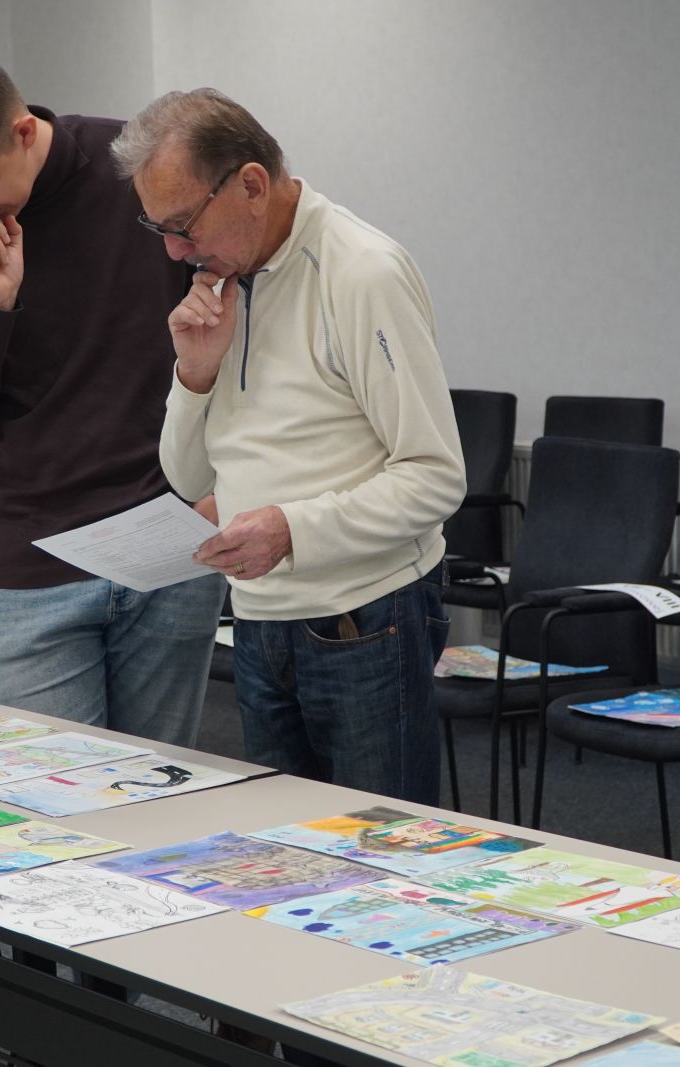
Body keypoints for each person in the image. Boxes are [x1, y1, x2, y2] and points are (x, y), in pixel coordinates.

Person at [111, 89, 466, 806]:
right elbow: (188, 478)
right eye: (159, 228)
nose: (175, 250)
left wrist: (290, 530)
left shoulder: (361, 271)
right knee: (285, 848)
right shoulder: (224, 283)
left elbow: (435, 476)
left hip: (365, 617)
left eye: (182, 225)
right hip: (258, 619)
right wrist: (195, 373)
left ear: (251, 184)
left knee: (380, 847)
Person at [0, 50, 223, 746]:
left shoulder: (140, 169)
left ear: (22, 131)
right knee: (52, 800)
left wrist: (227, 490)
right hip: (30, 569)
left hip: (169, 542)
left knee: (164, 790)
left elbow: (229, 329)